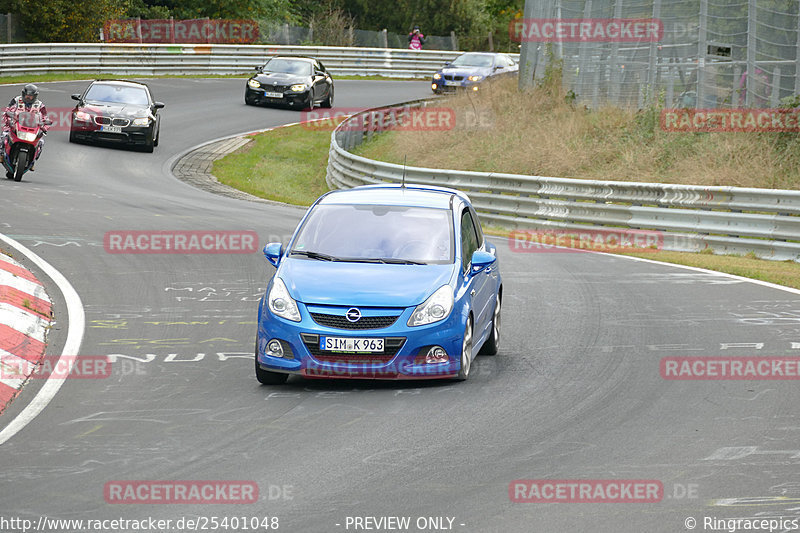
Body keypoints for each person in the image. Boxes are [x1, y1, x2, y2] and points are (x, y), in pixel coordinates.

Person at [3, 84, 49, 171]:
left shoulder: (40, 105)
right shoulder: (16, 100)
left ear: (35, 96)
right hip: (15, 125)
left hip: (31, 128)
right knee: (4, 135)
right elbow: (8, 110)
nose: (29, 98)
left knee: (41, 142)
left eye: (31, 96)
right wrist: (9, 120)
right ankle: (1, 155)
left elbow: (45, 117)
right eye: (27, 95)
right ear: (23, 94)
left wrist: (45, 127)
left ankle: (33, 161)